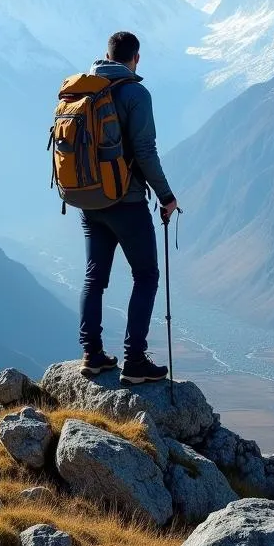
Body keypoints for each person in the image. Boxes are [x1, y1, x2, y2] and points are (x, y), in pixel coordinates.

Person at [78, 31, 180, 384]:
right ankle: (134, 360)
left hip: (89, 200)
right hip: (126, 201)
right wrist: (166, 197)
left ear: (106, 55)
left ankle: (91, 355)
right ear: (136, 58)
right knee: (146, 276)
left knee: (95, 277)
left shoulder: (86, 89)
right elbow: (145, 152)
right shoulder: (136, 93)